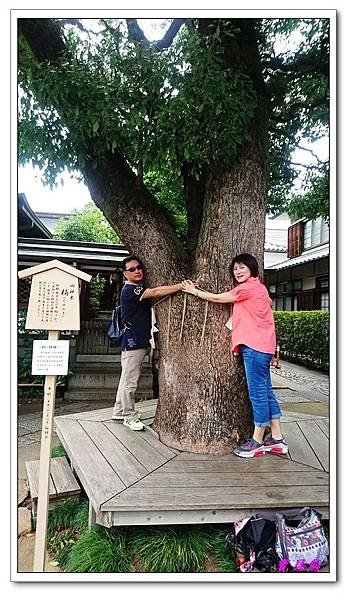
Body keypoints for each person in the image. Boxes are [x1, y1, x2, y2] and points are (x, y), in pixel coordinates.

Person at [181, 253, 288, 459]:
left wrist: (193, 291)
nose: (238, 272)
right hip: (264, 347)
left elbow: (217, 298)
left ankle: (257, 441)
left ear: (252, 269)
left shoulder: (247, 288)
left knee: (257, 394)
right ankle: (277, 438)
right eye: (235, 269)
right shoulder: (261, 288)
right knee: (266, 392)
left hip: (254, 347)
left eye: (242, 268)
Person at [112, 255, 183, 431]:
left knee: (126, 378)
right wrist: (181, 286)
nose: (137, 271)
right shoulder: (130, 290)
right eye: (132, 269)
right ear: (125, 274)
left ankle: (119, 411)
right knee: (130, 381)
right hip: (133, 342)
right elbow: (156, 292)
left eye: (139, 267)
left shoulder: (136, 288)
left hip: (137, 341)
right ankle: (129, 415)